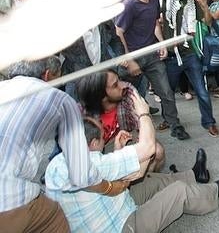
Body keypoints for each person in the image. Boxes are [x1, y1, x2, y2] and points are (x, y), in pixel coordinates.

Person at [45, 90, 219, 233]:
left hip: (113, 207)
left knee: (153, 181)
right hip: (122, 226)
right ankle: (215, 192)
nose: (104, 139)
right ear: (90, 144)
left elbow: (106, 177)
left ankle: (196, 176)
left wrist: (117, 152)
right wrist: (143, 113)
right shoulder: (91, 162)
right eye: (101, 138)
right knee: (178, 191)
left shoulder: (58, 162)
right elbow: (146, 150)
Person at [0, 58, 128, 232]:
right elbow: (81, 174)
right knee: (54, 222)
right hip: (10, 198)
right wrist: (111, 187)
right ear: (47, 75)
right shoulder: (57, 99)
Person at [115, 0, 190, 140]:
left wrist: (162, 43)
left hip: (152, 54)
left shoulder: (154, 0)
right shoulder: (129, 5)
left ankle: (175, 125)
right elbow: (119, 32)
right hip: (133, 56)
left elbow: (156, 23)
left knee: (166, 91)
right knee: (126, 96)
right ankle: (126, 132)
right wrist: (129, 59)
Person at [0, 0, 128, 73]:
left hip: (104, 77)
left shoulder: (103, 18)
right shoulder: (63, 26)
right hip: (76, 81)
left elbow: (115, 40)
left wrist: (119, 57)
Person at [161, 0, 219, 137]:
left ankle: (209, 122)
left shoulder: (193, 3)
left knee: (202, 90)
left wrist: (204, 5)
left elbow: (208, 22)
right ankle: (168, 119)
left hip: (190, 54)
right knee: (168, 91)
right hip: (172, 56)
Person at [76, 70, 166, 171]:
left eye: (119, 79)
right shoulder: (80, 114)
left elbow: (145, 125)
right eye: (115, 85)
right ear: (101, 97)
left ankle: (150, 181)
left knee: (157, 151)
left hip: (126, 137)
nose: (123, 85)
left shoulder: (128, 93)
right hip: (99, 151)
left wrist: (142, 137)